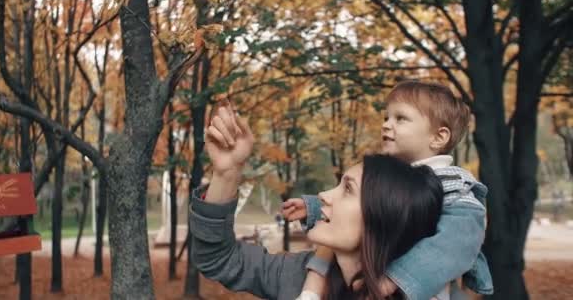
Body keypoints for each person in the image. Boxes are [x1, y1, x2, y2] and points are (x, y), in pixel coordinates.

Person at [190, 103, 444, 299]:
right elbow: (218, 260)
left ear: (385, 216)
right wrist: (227, 173)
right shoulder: (298, 276)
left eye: (347, 189)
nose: (323, 195)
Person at [283, 80, 493, 300]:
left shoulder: (453, 185)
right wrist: (315, 208)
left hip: (423, 287)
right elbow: (362, 209)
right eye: (386, 117)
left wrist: (397, 279)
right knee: (329, 245)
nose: (385, 124)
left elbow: (459, 241)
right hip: (376, 273)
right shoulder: (391, 176)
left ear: (438, 137)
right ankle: (310, 292)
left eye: (400, 118)